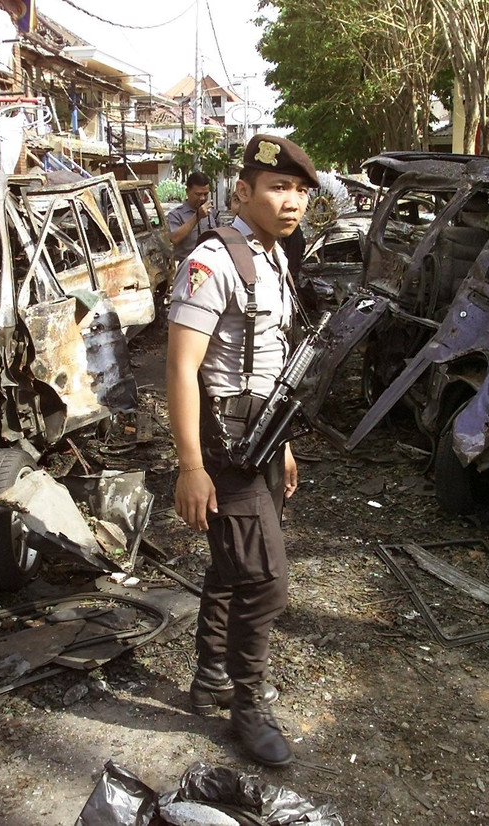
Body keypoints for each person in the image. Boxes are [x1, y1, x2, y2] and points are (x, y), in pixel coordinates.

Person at [166, 134, 319, 767]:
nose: (292, 202)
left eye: (300, 191)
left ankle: (210, 679)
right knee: (267, 580)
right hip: (223, 449)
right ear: (244, 191)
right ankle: (247, 706)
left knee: (232, 567)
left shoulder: (273, 255)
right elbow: (179, 368)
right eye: (278, 188)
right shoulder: (211, 260)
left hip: (261, 439)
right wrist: (191, 467)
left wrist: (280, 446)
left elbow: (268, 357)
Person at [167, 171, 216, 264]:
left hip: (211, 264)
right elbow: (174, 239)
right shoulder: (176, 215)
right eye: (198, 194)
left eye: (205, 194)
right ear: (187, 192)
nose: (202, 198)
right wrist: (197, 217)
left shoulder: (212, 212)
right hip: (187, 265)